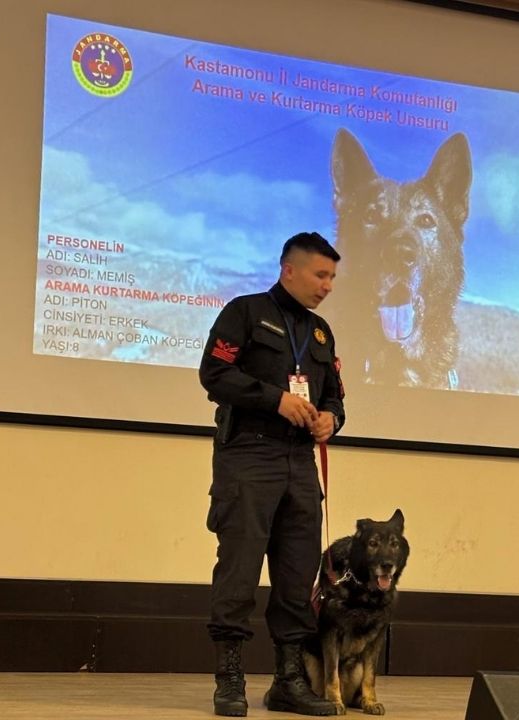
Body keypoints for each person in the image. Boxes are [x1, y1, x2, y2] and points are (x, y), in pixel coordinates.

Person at [199, 231, 346, 717]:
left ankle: (288, 680)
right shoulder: (244, 312)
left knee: (296, 572)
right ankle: (230, 679)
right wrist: (275, 398)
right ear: (289, 269)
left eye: (332, 277)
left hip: (299, 463)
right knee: (239, 567)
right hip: (249, 456)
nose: (327, 285)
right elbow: (214, 375)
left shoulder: (322, 333)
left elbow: (334, 398)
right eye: (320, 275)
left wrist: (331, 420)